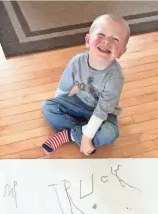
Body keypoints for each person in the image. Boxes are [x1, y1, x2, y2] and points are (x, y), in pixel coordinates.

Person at [41, 14, 130, 156]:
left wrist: (87, 137)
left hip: (104, 112)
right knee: (48, 106)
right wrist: (59, 103)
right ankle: (81, 133)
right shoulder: (76, 61)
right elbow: (64, 87)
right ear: (88, 40)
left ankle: (69, 134)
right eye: (101, 34)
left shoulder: (115, 77)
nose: (106, 41)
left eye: (115, 39)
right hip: (79, 102)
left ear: (122, 51)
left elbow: (102, 110)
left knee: (109, 133)